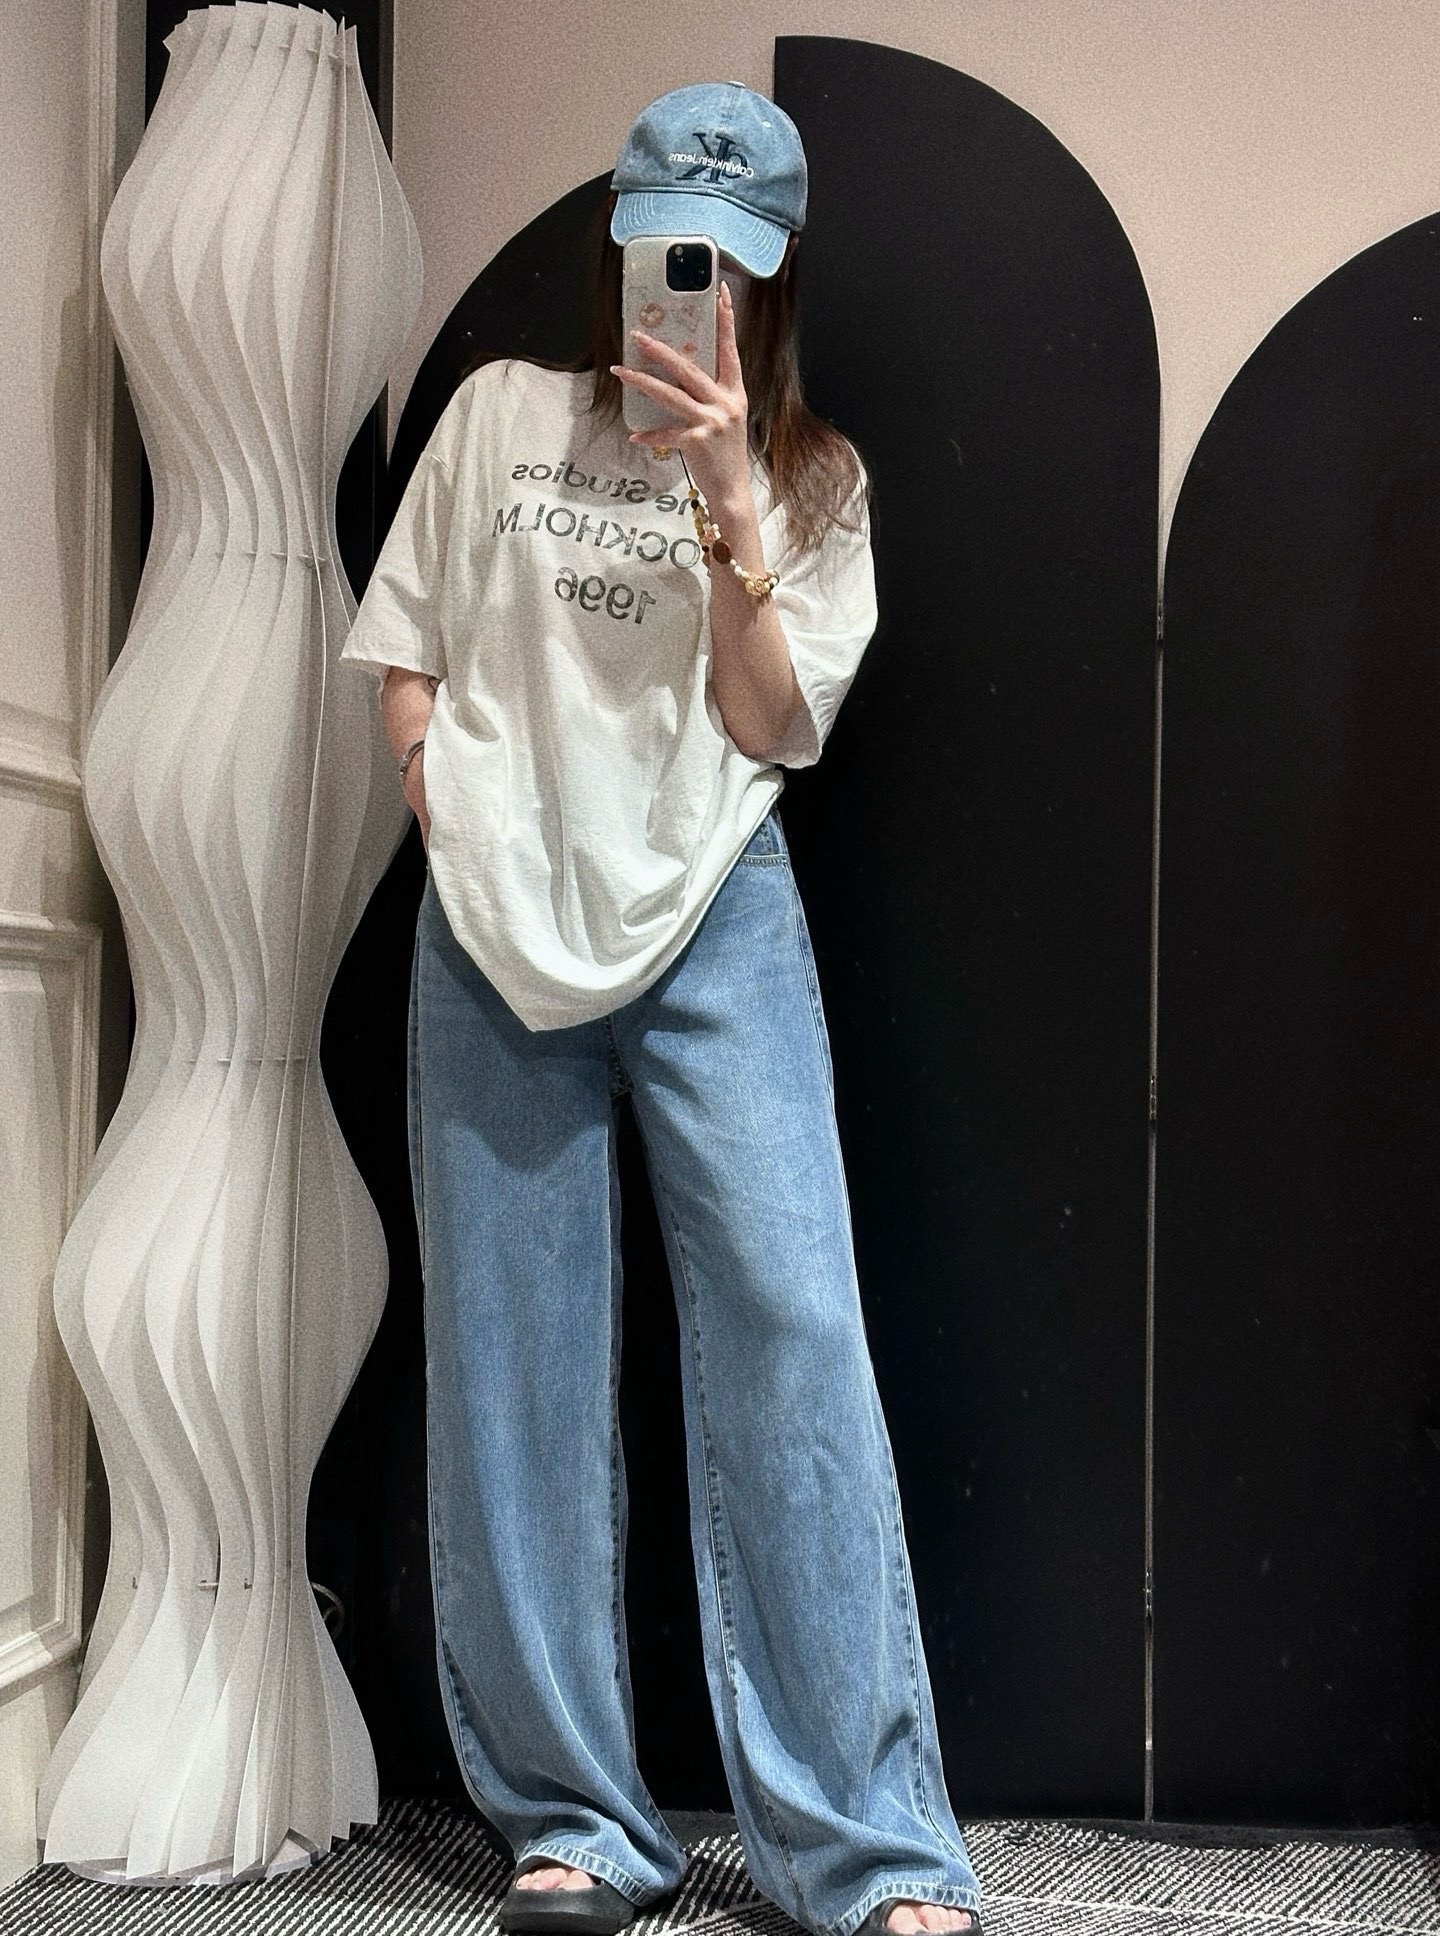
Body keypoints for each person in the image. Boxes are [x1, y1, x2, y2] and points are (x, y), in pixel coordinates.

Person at [339, 79, 984, 1936]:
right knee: (513, 1364)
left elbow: (776, 723)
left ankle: (869, 1847)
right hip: (493, 921)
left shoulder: (813, 481)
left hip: (712, 909)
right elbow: (403, 639)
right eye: (662, 249)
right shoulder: (499, 416)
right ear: (618, 245)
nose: (687, 284)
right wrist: (435, 787)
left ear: (771, 279)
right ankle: (578, 1824)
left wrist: (724, 499)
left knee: (796, 1330)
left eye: (723, 261)